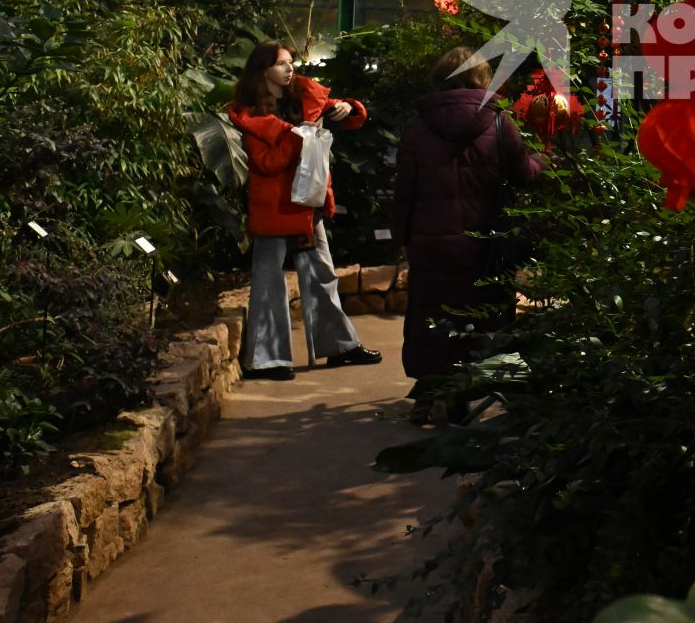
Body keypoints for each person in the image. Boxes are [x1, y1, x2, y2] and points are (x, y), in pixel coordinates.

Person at [228, 42, 383, 380]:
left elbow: (348, 112)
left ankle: (340, 347)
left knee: (322, 275)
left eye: (290, 63)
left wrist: (346, 107)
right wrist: (301, 138)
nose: (289, 69)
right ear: (263, 69)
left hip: (307, 205)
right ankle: (267, 359)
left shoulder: (303, 97)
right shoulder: (252, 112)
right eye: (281, 64)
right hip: (275, 208)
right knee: (269, 282)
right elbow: (266, 163)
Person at [392, 47, 546, 388]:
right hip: (485, 242)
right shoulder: (498, 122)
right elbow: (523, 174)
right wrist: (545, 160)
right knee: (487, 311)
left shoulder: (418, 127)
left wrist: (402, 238)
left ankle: (431, 389)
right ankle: (479, 388)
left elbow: (404, 190)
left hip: (430, 240)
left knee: (432, 313)